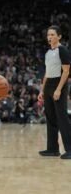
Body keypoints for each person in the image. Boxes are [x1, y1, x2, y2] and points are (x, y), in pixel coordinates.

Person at [38, 25, 71, 159]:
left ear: (59, 36)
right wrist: (42, 90)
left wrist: (58, 89)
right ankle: (52, 149)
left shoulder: (62, 50)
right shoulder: (47, 53)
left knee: (62, 117)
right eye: (48, 35)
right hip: (48, 85)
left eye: (52, 35)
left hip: (59, 84)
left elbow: (67, 71)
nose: (50, 37)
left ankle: (69, 149)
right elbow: (47, 73)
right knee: (50, 117)